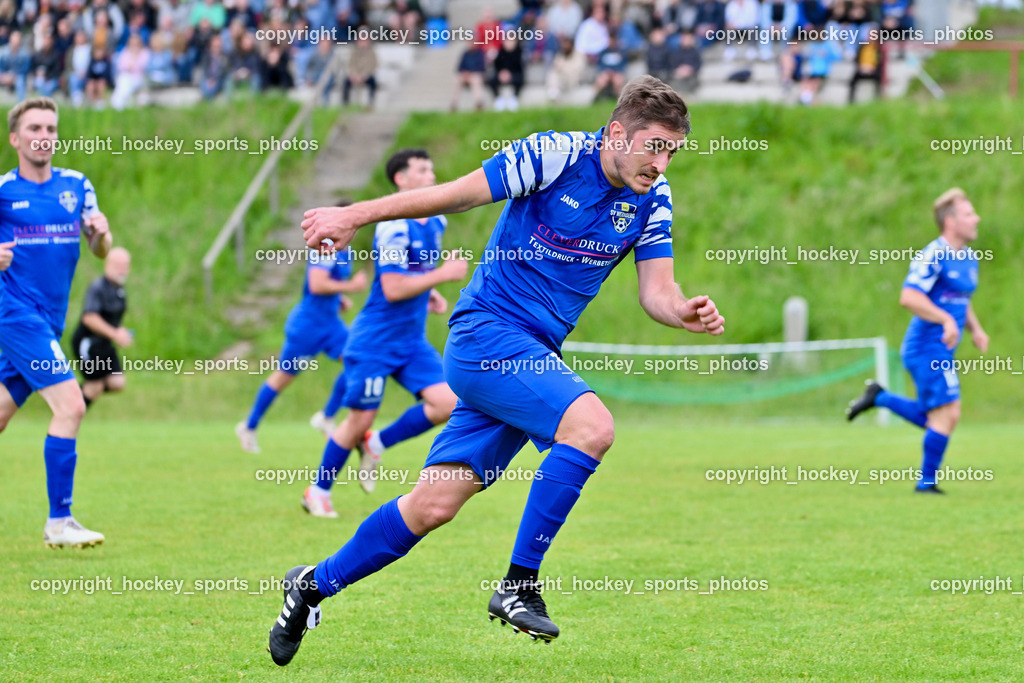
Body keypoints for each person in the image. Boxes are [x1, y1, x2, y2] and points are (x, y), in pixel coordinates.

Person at [268, 76, 725, 665]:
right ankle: (518, 583)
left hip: (532, 355)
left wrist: (681, 311)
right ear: (617, 133)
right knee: (592, 427)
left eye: (672, 151)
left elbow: (657, 291)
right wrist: (356, 214)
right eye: (653, 146)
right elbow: (456, 194)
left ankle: (309, 586)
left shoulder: (653, 199)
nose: (661, 163)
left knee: (431, 506)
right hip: (485, 335)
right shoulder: (555, 155)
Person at [300, 148, 466, 518]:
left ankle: (376, 444)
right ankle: (318, 490)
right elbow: (391, 287)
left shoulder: (435, 220)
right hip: (375, 341)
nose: (432, 174)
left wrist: (430, 292)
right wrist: (443, 275)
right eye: (423, 169)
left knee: (448, 403)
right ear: (400, 180)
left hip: (410, 341)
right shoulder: (393, 225)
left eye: (432, 167)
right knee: (358, 418)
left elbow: (413, 269)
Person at [0, 97, 113, 548]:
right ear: (15, 139)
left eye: (50, 128)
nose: (43, 135)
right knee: (71, 406)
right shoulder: (3, 190)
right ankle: (59, 522)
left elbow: (100, 251)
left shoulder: (76, 185)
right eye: (34, 128)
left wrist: (101, 235)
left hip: (48, 321)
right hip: (14, 314)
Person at [847, 188, 986, 494]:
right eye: (968, 213)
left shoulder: (969, 258)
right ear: (950, 222)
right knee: (948, 413)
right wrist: (947, 320)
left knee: (939, 416)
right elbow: (909, 296)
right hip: (925, 348)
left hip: (942, 347)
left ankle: (879, 398)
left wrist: (975, 328)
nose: (976, 218)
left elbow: (962, 298)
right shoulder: (934, 255)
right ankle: (926, 483)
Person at [236, 242, 368, 454]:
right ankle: (248, 427)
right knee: (283, 377)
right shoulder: (326, 247)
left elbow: (329, 285)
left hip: (331, 324)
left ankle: (327, 417)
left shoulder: (348, 250)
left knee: (359, 360)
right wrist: (351, 287)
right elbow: (316, 284)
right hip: (307, 327)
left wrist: (338, 299)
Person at [70, 246, 132, 408]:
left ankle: (72, 394)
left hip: (104, 345)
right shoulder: (98, 288)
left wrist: (121, 332)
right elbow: (89, 318)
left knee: (117, 382)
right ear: (108, 264)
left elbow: (112, 319)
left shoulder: (119, 289)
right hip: (88, 344)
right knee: (94, 386)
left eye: (125, 266)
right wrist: (114, 334)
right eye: (118, 265)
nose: (122, 270)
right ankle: (68, 411)